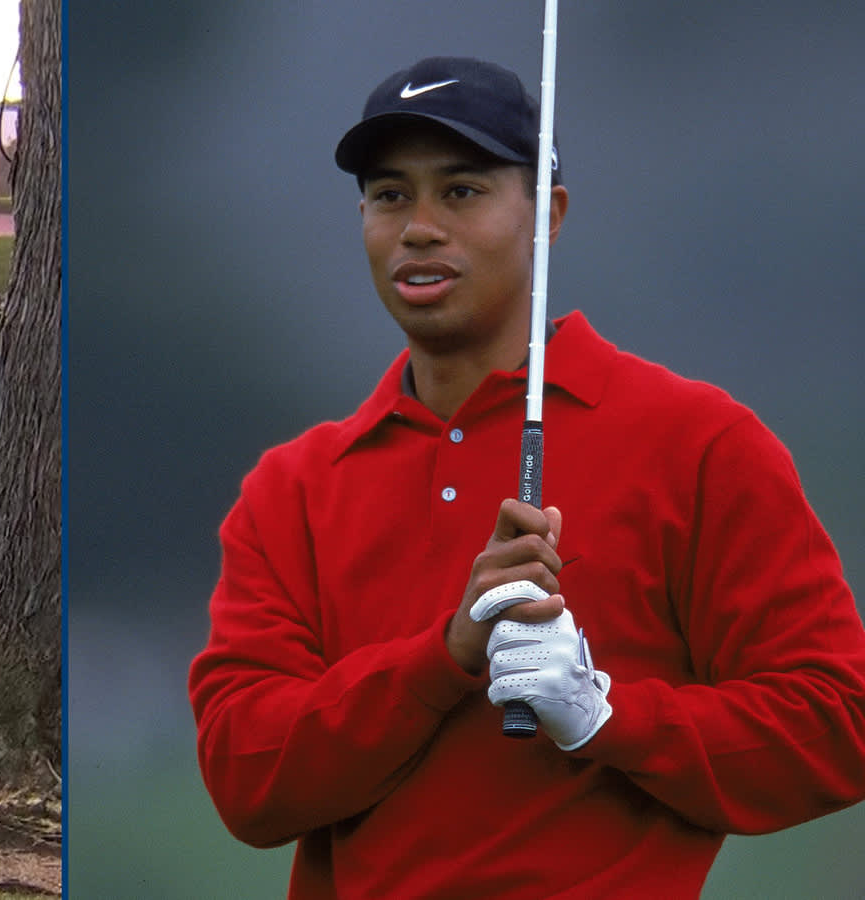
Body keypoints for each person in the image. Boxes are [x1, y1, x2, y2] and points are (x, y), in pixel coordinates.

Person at [187, 56, 865, 898]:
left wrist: (606, 713)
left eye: (462, 191)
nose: (420, 227)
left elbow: (837, 725)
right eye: (391, 195)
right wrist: (442, 658)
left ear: (547, 215)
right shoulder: (291, 488)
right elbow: (247, 779)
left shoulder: (700, 444)